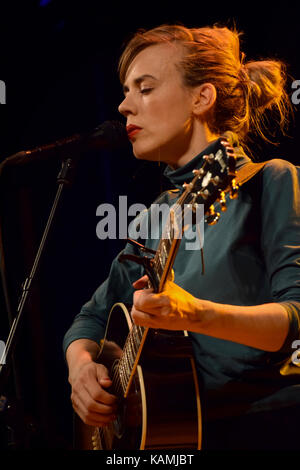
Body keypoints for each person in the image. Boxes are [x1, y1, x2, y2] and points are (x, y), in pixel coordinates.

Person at [63, 24, 300, 450]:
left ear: (201, 98)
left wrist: (195, 314)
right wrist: (81, 368)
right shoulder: (154, 218)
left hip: (271, 425)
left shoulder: (271, 182)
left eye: (145, 88)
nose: (123, 106)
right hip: (172, 439)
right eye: (125, 90)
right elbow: (90, 320)